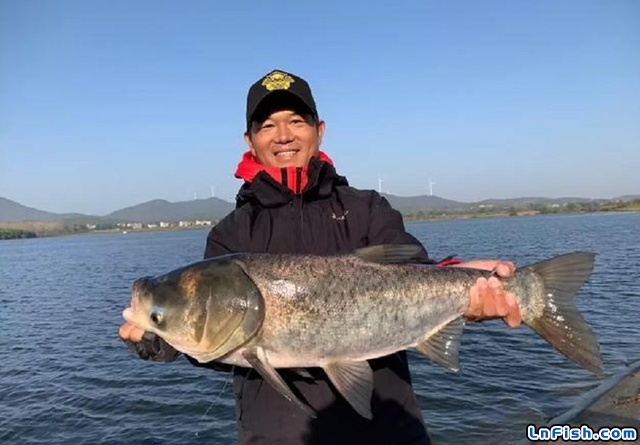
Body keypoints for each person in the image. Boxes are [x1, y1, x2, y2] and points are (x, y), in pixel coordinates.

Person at [119, 69, 521, 445]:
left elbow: (419, 273)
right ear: (249, 139)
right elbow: (219, 343)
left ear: (319, 130)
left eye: (296, 121)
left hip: (390, 433)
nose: (283, 136)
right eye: (268, 125)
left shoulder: (367, 208)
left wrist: (468, 281)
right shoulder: (230, 234)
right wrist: (161, 341)